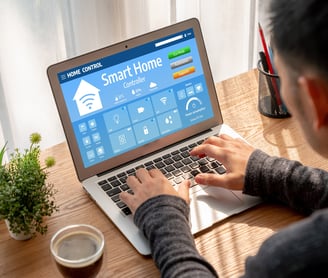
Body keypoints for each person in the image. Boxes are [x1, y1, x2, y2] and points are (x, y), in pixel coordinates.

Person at [120, 0, 328, 276]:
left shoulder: (291, 260)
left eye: (283, 75)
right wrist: (269, 172)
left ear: (316, 101)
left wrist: (162, 218)